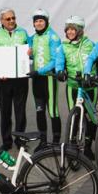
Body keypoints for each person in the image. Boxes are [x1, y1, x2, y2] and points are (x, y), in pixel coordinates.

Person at [0, 8, 29, 164]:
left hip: (21, 78)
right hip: (3, 80)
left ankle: (20, 140)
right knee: (5, 111)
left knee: (20, 111)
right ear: (1, 20)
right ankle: (6, 141)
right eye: (7, 19)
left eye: (13, 18)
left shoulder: (23, 33)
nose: (11, 21)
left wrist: (30, 53)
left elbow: (30, 52)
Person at [28, 9, 64, 146]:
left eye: (41, 20)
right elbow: (34, 57)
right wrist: (30, 55)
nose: (38, 23)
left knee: (53, 110)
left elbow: (56, 60)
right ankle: (42, 142)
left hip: (49, 78)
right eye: (36, 21)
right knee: (39, 110)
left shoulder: (53, 37)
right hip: (37, 79)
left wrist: (39, 71)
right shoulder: (33, 38)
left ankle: (55, 142)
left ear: (46, 22)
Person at [57, 15, 94, 114]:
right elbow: (59, 62)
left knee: (91, 119)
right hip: (72, 85)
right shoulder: (63, 47)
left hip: (90, 86)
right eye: (67, 29)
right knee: (74, 116)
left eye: (73, 29)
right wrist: (59, 71)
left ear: (80, 30)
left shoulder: (90, 44)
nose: (69, 32)